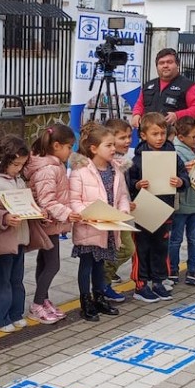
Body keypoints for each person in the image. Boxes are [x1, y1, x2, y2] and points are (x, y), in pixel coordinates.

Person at [0, 135, 50, 332]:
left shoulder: (18, 180)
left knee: (16, 279)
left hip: (18, 238)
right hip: (0, 242)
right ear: (3, 161)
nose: (19, 168)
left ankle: (15, 313)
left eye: (22, 164)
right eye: (16, 164)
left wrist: (38, 212)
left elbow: (26, 203)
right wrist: (3, 218)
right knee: (0, 281)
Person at [69, 123, 130, 321]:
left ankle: (100, 297)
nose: (114, 149)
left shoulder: (116, 170)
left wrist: (123, 211)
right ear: (94, 148)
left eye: (114, 145)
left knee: (100, 264)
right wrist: (88, 214)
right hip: (89, 227)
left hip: (108, 227)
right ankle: (85, 301)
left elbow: (121, 196)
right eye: (109, 145)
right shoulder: (80, 171)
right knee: (87, 264)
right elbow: (74, 200)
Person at [127, 113, 187, 304]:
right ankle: (141, 284)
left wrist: (180, 181)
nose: (160, 137)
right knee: (142, 247)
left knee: (161, 247)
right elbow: (128, 184)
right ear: (143, 135)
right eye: (155, 134)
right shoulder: (136, 159)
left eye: (162, 133)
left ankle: (158, 281)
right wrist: (137, 185)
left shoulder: (172, 155)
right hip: (143, 211)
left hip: (165, 209)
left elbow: (184, 175)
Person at [23, 124, 79, 324]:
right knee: (53, 265)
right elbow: (47, 201)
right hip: (49, 223)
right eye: (69, 147)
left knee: (45, 263)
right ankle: (37, 304)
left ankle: (43, 298)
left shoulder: (53, 165)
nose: (70, 151)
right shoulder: (48, 169)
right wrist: (67, 214)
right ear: (56, 145)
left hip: (51, 223)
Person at [169, 116, 195, 286]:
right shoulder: (174, 151)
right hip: (182, 203)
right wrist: (184, 169)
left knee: (194, 238)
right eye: (194, 136)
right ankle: (173, 270)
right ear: (181, 137)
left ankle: (193, 270)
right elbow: (170, 176)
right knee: (176, 239)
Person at [130, 48, 195, 130]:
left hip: (176, 136)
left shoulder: (188, 86)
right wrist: (136, 114)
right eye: (161, 63)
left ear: (177, 64)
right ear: (157, 66)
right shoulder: (148, 86)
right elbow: (140, 104)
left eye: (169, 62)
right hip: (149, 135)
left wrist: (177, 115)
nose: (165, 65)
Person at [101, 118, 135, 302]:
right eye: (123, 137)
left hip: (123, 212)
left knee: (125, 249)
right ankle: (103, 283)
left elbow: (124, 188)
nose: (128, 141)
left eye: (129, 136)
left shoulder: (123, 161)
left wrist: (128, 201)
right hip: (111, 214)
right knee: (124, 249)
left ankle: (104, 280)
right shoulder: (107, 163)